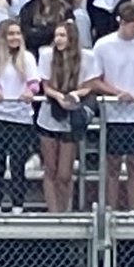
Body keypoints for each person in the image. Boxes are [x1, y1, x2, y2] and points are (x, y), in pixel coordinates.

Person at [37, 20, 98, 212]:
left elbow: (89, 85)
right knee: (50, 169)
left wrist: (73, 96)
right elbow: (46, 86)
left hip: (72, 112)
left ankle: (66, 210)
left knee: (64, 172)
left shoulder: (86, 57)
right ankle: (53, 213)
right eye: (57, 35)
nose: (58, 39)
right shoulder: (47, 55)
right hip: (50, 111)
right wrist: (58, 96)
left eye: (62, 35)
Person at [0, 20, 38, 215]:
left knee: (17, 163)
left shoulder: (28, 58)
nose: (15, 37)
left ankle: (18, 205)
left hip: (20, 118)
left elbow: (34, 83)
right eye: (10, 34)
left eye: (17, 33)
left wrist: (29, 91)